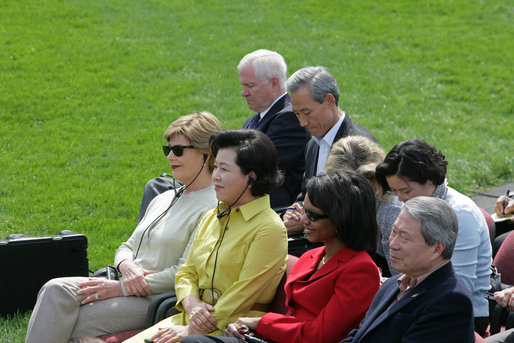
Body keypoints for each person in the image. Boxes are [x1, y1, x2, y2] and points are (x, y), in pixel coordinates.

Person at [25, 112, 221, 343]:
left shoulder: (212, 207)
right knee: (55, 289)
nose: (169, 156)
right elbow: (126, 246)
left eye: (178, 150)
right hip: (125, 284)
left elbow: (184, 274)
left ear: (205, 155)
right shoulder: (164, 197)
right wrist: (126, 265)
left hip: (157, 299)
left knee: (62, 322)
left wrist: (121, 288)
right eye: (166, 149)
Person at [124, 129, 288, 343]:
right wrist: (192, 305)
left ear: (251, 178)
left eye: (224, 169)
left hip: (230, 329)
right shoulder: (213, 215)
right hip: (191, 318)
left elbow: (242, 296)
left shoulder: (269, 228)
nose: (215, 176)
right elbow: (186, 271)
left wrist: (194, 328)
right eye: (216, 166)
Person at [181, 171, 381, 343]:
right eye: (305, 210)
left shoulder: (360, 270)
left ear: (341, 218)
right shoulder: (312, 256)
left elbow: (320, 336)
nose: (303, 220)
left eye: (312, 215)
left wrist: (260, 323)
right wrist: (248, 327)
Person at [375, 139, 492, 336]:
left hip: (459, 317)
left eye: (404, 191)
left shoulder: (460, 214)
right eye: (394, 191)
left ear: (430, 180)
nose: (400, 199)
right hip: (416, 298)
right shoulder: (414, 204)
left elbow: (458, 286)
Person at [341, 196, 475, 343]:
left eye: (404, 238)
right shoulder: (392, 284)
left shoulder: (450, 301)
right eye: (393, 232)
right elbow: (358, 337)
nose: (392, 244)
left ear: (437, 248)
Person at [282, 66, 376, 235]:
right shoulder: (313, 144)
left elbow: (355, 214)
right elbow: (306, 194)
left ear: (329, 101)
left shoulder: (357, 148)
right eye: (297, 114)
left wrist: (305, 222)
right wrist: (293, 211)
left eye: (307, 113)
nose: (302, 123)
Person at [239, 49, 311, 209]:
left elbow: (253, 166)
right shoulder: (257, 117)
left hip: (276, 212)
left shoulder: (289, 118)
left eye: (250, 86)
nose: (244, 93)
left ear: (274, 83)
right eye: (243, 86)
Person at [324, 135, 402, 276]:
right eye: (348, 186)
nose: (356, 192)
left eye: (366, 180)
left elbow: (400, 277)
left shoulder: (390, 211)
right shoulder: (336, 197)